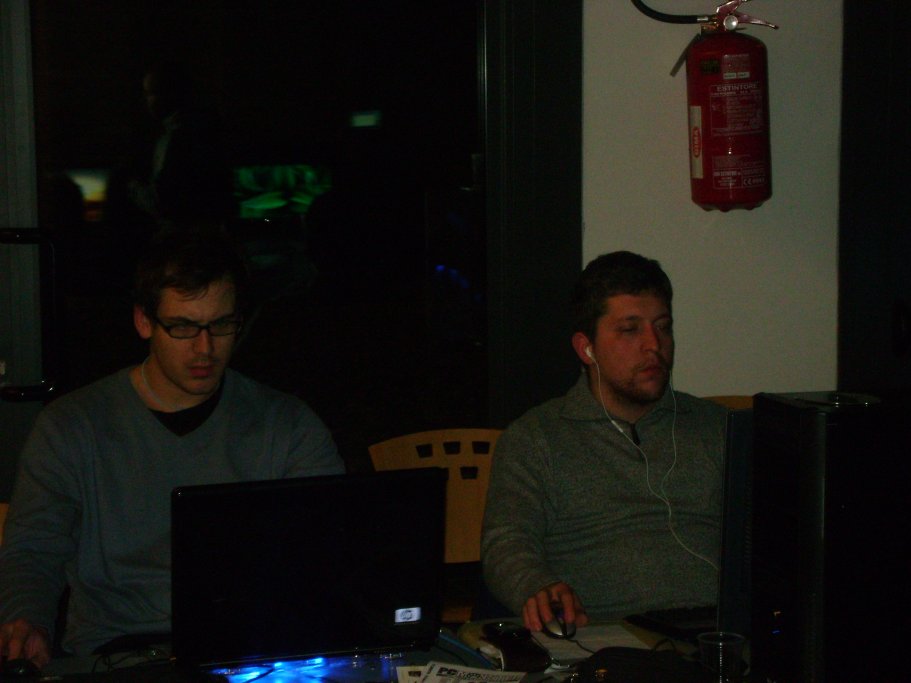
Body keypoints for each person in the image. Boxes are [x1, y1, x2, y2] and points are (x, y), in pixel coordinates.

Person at [0, 225, 344, 667]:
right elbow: (33, 548)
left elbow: (328, 547)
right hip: (118, 653)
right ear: (144, 322)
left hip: (251, 653)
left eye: (222, 325)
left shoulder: (288, 426)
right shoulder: (72, 426)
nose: (205, 348)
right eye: (183, 327)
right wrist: (27, 620)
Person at [481, 251, 727, 635]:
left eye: (663, 327)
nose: (654, 345)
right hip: (605, 636)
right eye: (630, 330)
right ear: (587, 348)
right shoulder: (537, 438)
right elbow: (507, 543)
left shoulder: (715, 427)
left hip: (717, 635)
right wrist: (537, 587)